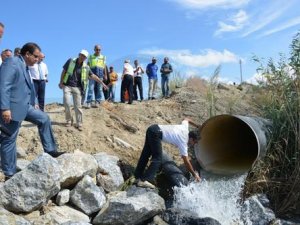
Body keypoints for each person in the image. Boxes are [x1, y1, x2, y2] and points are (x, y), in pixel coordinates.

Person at [0, 42, 64, 180]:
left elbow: (29, 87)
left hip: (26, 106)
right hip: (11, 108)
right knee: (9, 139)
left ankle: (51, 151)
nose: (38, 59)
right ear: (27, 54)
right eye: (36, 56)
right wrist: (5, 108)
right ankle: (9, 173)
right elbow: (3, 85)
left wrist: (34, 102)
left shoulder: (27, 67)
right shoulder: (12, 62)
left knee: (44, 119)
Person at [134, 118, 201, 188]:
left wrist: (197, 125)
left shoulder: (185, 128)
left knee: (145, 154)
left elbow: (187, 119)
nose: (194, 144)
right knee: (158, 158)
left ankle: (137, 177)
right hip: (156, 134)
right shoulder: (183, 141)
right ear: (191, 139)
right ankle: (144, 180)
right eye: (195, 142)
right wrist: (194, 175)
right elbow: (186, 162)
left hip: (152, 128)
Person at [59, 49, 107, 131]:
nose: (82, 57)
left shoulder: (86, 67)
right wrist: (61, 82)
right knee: (67, 103)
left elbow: (93, 76)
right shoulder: (70, 61)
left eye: (84, 56)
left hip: (78, 88)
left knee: (78, 106)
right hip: (67, 85)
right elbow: (64, 71)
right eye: (81, 55)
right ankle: (69, 120)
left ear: (86, 58)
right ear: (79, 54)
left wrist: (102, 83)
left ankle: (79, 123)